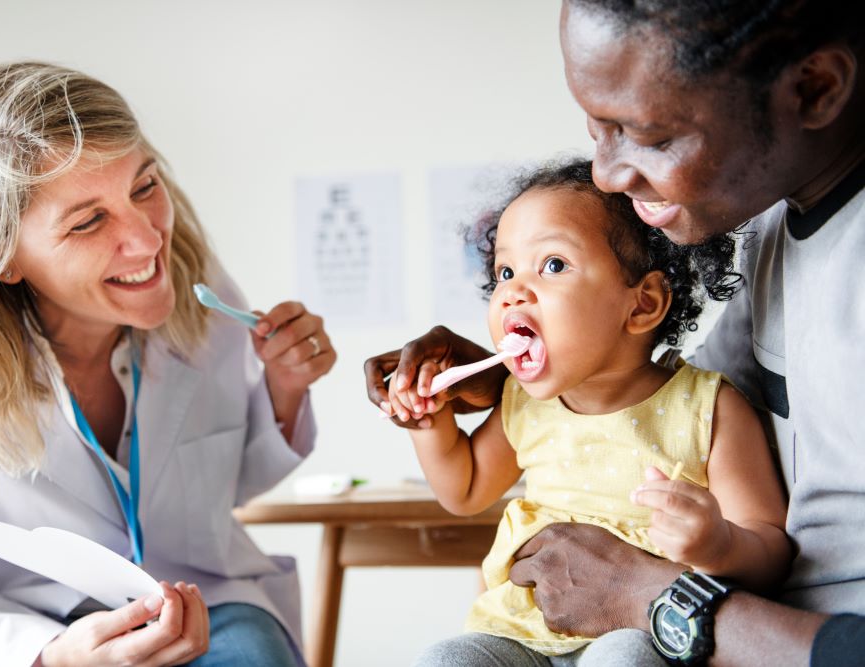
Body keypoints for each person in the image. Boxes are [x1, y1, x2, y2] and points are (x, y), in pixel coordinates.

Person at [365, 1, 865, 664]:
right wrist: (492, 376)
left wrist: (650, 593)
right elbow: (646, 382)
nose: (606, 173)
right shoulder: (780, 226)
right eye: (598, 128)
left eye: (649, 135)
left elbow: (707, 421)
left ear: (815, 88)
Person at [0, 62, 336, 667]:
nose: (147, 241)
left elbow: (230, 484)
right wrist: (54, 657)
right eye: (89, 221)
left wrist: (284, 388)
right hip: (23, 634)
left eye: (144, 186)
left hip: (214, 611)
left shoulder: (206, 299)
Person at [385, 158, 788, 666]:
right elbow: (464, 490)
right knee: (444, 659)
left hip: (642, 631)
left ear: (642, 305)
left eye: (553, 265)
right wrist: (430, 422)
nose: (512, 291)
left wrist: (718, 544)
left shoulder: (709, 409)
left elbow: (772, 550)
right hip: (520, 634)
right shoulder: (526, 402)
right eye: (504, 272)